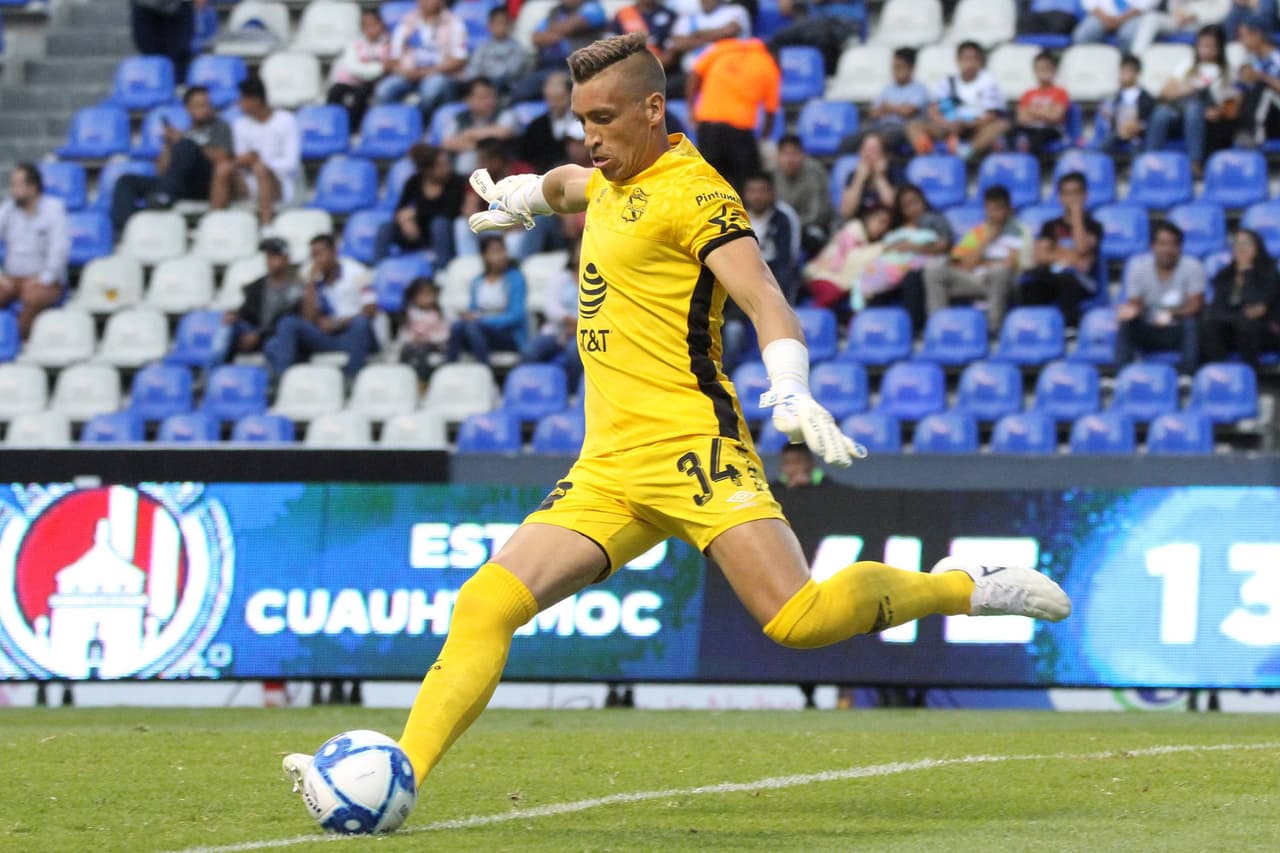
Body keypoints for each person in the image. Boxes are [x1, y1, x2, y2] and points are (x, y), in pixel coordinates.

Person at [284, 33, 1069, 800]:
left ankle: (966, 585)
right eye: (581, 120)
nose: (589, 137)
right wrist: (522, 196)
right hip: (609, 467)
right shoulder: (605, 179)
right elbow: (567, 185)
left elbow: (765, 298)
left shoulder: (698, 196)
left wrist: (791, 385)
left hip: (695, 449)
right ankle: (402, 777)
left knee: (798, 618)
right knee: (485, 602)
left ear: (652, 109)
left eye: (604, 119)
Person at [109, 85, 231, 234]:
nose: (205, 109)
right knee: (125, 181)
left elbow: (223, 157)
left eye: (207, 104)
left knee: (187, 146)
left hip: (205, 183)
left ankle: (163, 196)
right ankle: (125, 231)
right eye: (199, 105)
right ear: (188, 109)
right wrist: (167, 145)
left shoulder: (220, 127)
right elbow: (161, 170)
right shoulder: (185, 132)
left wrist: (188, 142)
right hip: (177, 185)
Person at [264, 235, 379, 380]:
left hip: (353, 334)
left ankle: (351, 379)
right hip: (326, 336)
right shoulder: (309, 275)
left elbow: (371, 310)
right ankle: (282, 381)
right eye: (313, 256)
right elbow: (308, 318)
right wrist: (311, 284)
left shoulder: (358, 272)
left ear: (334, 252)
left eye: (320, 254)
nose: (317, 260)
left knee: (361, 323)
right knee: (287, 324)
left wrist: (339, 323)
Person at [923, 185, 1029, 334]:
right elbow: (965, 265)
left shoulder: (1020, 230)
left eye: (998, 209)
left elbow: (1011, 265)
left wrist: (984, 262)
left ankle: (993, 329)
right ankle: (939, 327)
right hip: (975, 279)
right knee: (935, 271)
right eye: (990, 209)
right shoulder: (978, 232)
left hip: (1006, 281)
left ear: (1008, 209)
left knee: (999, 272)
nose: (994, 214)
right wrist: (987, 240)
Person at [685, 36, 780, 192]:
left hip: (708, 128)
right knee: (744, 186)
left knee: (709, 185)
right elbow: (771, 112)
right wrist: (763, 139)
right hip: (739, 133)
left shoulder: (722, 48)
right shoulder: (768, 65)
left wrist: (691, 109)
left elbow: (694, 74)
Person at [1114, 222, 1205, 374]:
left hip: (1178, 328)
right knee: (1126, 324)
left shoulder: (1192, 266)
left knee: (1192, 324)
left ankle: (1188, 376)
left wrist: (1169, 315)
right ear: (1152, 246)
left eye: (1173, 244)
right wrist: (1128, 312)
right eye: (1162, 244)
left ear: (1180, 248)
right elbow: (1136, 305)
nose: (1167, 250)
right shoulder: (1138, 268)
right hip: (1150, 326)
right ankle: (1123, 375)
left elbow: (1195, 306)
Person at [1144, 24, 1236, 174]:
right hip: (1179, 115)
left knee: (1194, 108)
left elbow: (1229, 105)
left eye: (1210, 46)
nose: (1205, 50)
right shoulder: (1187, 65)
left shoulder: (1226, 72)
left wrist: (1216, 111)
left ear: (1219, 48)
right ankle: (1149, 159)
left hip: (1206, 120)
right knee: (1161, 112)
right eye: (1202, 45)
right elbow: (1164, 93)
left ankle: (1195, 162)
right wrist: (1189, 88)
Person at [210, 76, 301, 225]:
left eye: (242, 100)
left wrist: (261, 162)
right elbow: (241, 157)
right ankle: (214, 223)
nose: (239, 105)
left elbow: (291, 163)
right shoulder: (240, 125)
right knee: (223, 168)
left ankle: (266, 224)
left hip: (280, 183)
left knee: (260, 169)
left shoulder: (286, 120)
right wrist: (242, 161)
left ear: (256, 100)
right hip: (248, 183)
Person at [1018, 171, 1103, 327]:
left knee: (1067, 278)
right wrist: (1070, 258)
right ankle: (1035, 326)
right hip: (1053, 276)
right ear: (1059, 197)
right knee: (1031, 281)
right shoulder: (1049, 226)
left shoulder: (1094, 226)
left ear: (1085, 195)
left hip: (1083, 281)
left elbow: (1082, 248)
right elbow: (1040, 257)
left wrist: (1077, 215)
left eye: (1076, 193)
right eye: (1067, 194)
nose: (1072, 199)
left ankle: (1070, 328)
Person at [907, 41, 1007, 161]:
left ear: (980, 61)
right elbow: (934, 110)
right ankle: (929, 154)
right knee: (913, 126)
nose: (970, 63)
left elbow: (991, 115)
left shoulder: (988, 83)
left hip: (975, 127)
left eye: (974, 58)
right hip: (948, 126)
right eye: (966, 58)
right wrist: (946, 124)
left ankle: (966, 153)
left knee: (1000, 126)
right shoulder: (948, 82)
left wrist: (968, 124)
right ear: (958, 60)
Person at [0, 164, 68, 339]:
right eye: (12, 185)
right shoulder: (7, 209)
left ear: (32, 187)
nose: (13, 190)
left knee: (32, 298)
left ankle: (15, 343)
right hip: (11, 278)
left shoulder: (54, 210)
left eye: (17, 185)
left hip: (45, 279)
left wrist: (44, 278)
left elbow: (59, 249)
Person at [374, 0, 468, 119]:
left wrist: (427, 72)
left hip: (439, 74)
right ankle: (393, 125)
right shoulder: (407, 22)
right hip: (408, 74)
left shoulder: (454, 22)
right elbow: (394, 57)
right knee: (384, 89)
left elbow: (459, 59)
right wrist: (404, 71)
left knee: (431, 89)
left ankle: (422, 125)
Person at [1200, 229, 1280, 367]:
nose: (1240, 248)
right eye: (1236, 244)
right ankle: (1220, 370)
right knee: (1208, 324)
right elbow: (1218, 308)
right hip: (1230, 328)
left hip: (1264, 331)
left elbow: (1257, 306)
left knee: (1247, 324)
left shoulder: (1269, 273)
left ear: (1257, 248)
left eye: (1245, 244)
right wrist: (1241, 315)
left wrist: (1247, 273)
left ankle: (1251, 375)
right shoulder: (1224, 276)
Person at [376, 144, 465, 264]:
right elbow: (400, 209)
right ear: (427, 170)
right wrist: (405, 221)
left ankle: (442, 269)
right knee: (385, 227)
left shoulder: (456, 182)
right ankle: (379, 267)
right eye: (441, 165)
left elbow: (449, 211)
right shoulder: (414, 181)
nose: (447, 168)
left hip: (444, 234)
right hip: (416, 232)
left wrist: (415, 213)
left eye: (447, 164)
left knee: (439, 223)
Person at [445, 235, 528, 364]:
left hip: (506, 335)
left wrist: (484, 321)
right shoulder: (477, 282)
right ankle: (448, 369)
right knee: (457, 327)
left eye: (503, 250)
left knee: (473, 327)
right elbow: (473, 310)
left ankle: (485, 370)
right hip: (479, 331)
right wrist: (469, 316)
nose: (501, 256)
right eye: (495, 252)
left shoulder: (515, 278)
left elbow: (516, 315)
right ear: (484, 256)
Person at [222, 237, 302, 361]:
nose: (269, 260)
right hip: (254, 330)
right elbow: (246, 312)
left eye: (274, 256)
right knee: (226, 329)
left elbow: (289, 319)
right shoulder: (257, 286)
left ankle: (276, 380)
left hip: (274, 335)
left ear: (286, 258)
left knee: (274, 345)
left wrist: (259, 334)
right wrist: (235, 316)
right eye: (268, 256)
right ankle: (213, 374)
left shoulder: (296, 287)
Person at [803, 205, 893, 312]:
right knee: (831, 293)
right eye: (880, 221)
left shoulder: (877, 245)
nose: (882, 228)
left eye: (886, 225)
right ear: (869, 217)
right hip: (822, 274)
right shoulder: (853, 229)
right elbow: (847, 260)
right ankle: (808, 321)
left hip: (845, 284)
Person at [521, 240, 583, 391]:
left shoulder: (599, 277)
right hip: (558, 330)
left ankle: (572, 393)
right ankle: (536, 391)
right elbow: (551, 307)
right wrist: (570, 321)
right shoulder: (560, 277)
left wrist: (579, 327)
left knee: (574, 351)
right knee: (530, 350)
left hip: (584, 332)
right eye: (579, 247)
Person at [847, 47, 929, 154]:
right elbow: (874, 113)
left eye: (900, 67)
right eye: (894, 67)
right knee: (851, 139)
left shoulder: (919, 89)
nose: (895, 71)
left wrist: (888, 107)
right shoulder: (887, 89)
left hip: (902, 129)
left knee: (876, 140)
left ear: (911, 68)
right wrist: (897, 108)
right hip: (880, 126)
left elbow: (908, 112)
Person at [327, 9, 393, 130]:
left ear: (381, 25)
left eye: (374, 25)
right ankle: (333, 127)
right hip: (352, 81)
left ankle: (353, 128)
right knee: (335, 91)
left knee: (362, 93)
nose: (370, 29)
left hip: (373, 84)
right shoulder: (355, 44)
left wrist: (366, 68)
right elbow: (352, 67)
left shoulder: (389, 44)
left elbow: (389, 67)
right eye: (366, 26)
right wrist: (377, 68)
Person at [441, 77, 520, 177]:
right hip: (461, 178)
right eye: (484, 97)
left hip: (498, 177)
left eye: (493, 96)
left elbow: (502, 133)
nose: (490, 101)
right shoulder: (459, 118)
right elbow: (447, 143)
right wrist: (481, 145)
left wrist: (469, 134)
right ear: (468, 100)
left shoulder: (506, 114)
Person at [742, 172, 801, 302]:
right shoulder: (738, 218)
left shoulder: (784, 218)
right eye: (752, 191)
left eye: (762, 191)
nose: (757, 196)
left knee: (785, 275)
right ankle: (735, 321)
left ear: (772, 193)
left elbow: (788, 257)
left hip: (774, 272)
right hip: (745, 271)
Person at [771, 134, 831, 256]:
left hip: (809, 227)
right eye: (785, 154)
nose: (790, 159)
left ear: (802, 155)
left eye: (794, 154)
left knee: (814, 238)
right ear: (778, 156)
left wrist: (792, 225)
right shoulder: (772, 175)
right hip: (780, 227)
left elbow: (818, 214)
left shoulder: (815, 173)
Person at [1008, 50, 1071, 155]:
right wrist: (1045, 112)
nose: (1043, 71)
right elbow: (1021, 118)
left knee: (1037, 138)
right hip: (1029, 128)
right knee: (1009, 133)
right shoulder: (1028, 93)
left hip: (1051, 129)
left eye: (1046, 68)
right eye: (1040, 68)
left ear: (1054, 70)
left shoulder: (1060, 92)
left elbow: (1056, 116)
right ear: (1034, 71)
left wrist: (1032, 111)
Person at [1093, 54, 1155, 153]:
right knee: (1102, 145)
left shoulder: (1146, 98)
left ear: (1137, 74)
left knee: (1137, 148)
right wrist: (1109, 117)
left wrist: (1137, 127)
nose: (1123, 75)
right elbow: (1113, 120)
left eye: (1127, 71)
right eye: (1122, 71)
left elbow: (1148, 121)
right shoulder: (1116, 97)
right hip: (1117, 133)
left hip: (1137, 136)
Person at [669, 0, 751, 74]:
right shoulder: (688, 16)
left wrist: (694, 35)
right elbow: (677, 43)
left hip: (729, 71)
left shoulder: (735, 11)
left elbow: (728, 32)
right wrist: (713, 40)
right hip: (691, 73)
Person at [1235, 15, 1280, 148]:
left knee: (1264, 90)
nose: (1241, 41)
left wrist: (1261, 77)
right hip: (1257, 116)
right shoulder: (1249, 61)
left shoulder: (1277, 58)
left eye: (1244, 36)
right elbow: (1239, 93)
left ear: (1258, 35)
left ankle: (1254, 136)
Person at [463, 6, 531, 94]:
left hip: (505, 87)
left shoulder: (517, 48)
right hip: (481, 84)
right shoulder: (482, 46)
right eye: (496, 23)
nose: (500, 27)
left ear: (510, 25)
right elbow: (473, 68)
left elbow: (510, 72)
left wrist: (486, 76)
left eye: (504, 23)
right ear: (489, 25)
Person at [519, 73, 578, 172]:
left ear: (570, 95)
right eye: (551, 99)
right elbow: (527, 155)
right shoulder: (537, 126)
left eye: (560, 98)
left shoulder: (580, 121)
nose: (555, 104)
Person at [130, 0, 199, 82]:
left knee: (179, 54)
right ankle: (154, 86)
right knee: (150, 55)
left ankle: (178, 87)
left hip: (181, 7)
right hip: (144, 6)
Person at [398, 277, 450, 382]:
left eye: (431, 295)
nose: (428, 298)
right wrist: (413, 338)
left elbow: (445, 334)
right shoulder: (408, 314)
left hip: (434, 345)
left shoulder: (439, 313)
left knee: (423, 351)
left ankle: (422, 381)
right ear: (413, 297)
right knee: (405, 351)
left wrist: (428, 338)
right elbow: (403, 335)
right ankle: (403, 380)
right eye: (424, 295)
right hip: (414, 344)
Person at [837, 133, 898, 222]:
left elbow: (893, 207)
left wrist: (880, 177)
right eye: (864, 149)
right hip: (858, 224)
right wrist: (859, 179)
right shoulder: (852, 176)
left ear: (884, 155)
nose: (867, 154)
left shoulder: (892, 174)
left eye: (873, 150)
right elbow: (846, 212)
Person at [1072, 0, 1161, 54]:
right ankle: (1090, 66)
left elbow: (1148, 3)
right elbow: (1089, 2)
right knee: (1083, 35)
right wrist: (1104, 17)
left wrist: (1122, 18)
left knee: (1128, 36)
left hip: (1133, 16)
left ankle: (1124, 69)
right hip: (1101, 15)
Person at [612, 0, 678, 70]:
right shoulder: (623, 14)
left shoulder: (669, 15)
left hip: (662, 68)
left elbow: (674, 45)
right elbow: (612, 44)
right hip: (629, 67)